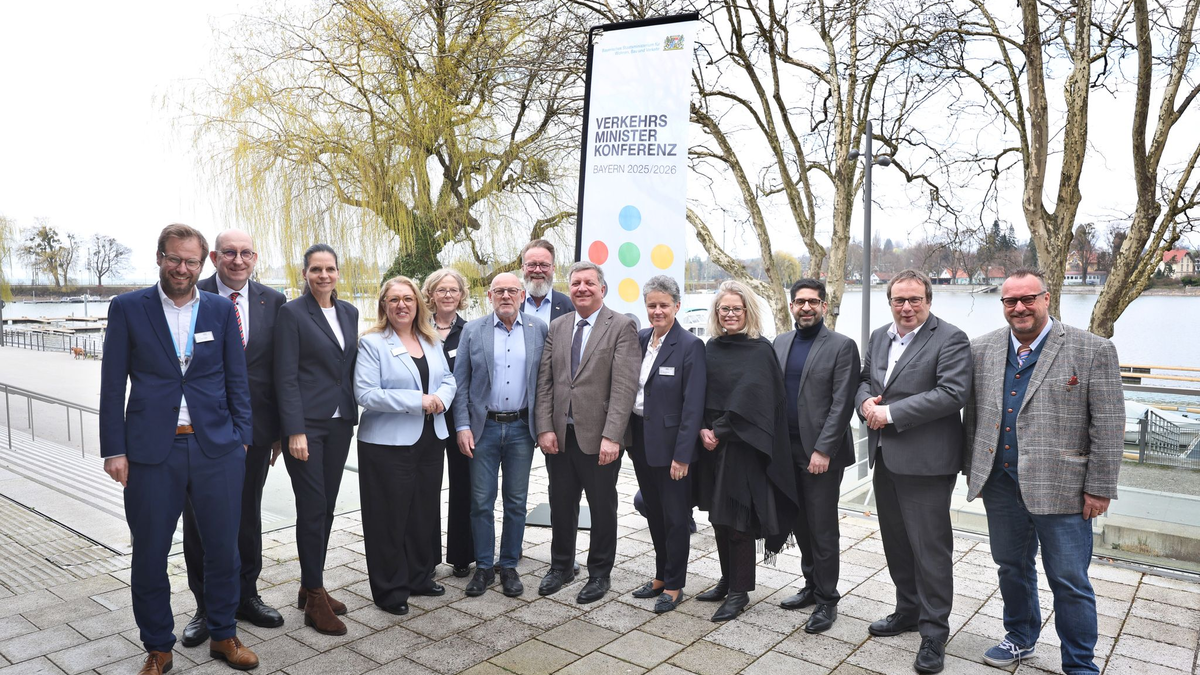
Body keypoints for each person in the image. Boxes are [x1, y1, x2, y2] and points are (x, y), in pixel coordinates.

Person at [100, 224, 258, 674]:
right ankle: (158, 646)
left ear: (203, 262)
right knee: (150, 552)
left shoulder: (219, 310)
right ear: (159, 257)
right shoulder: (129, 308)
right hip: (152, 452)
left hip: (216, 449)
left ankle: (224, 635)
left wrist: (242, 438)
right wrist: (114, 449)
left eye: (191, 261)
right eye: (174, 259)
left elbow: (236, 381)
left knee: (224, 549)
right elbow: (113, 385)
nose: (181, 268)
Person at [964, 269, 1122, 674]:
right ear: (1002, 305)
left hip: (1064, 489)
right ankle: (1020, 638)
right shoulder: (981, 349)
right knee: (1012, 568)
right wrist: (975, 471)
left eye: (1027, 298)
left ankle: (1080, 664)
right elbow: (974, 418)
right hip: (1000, 485)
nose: (1019, 307)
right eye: (1010, 301)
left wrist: (1100, 489)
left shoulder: (1092, 350)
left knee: (1069, 581)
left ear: (1046, 299)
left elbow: (1107, 424)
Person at [855, 269, 972, 674]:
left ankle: (934, 632)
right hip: (885, 458)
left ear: (928, 301)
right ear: (889, 301)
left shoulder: (950, 338)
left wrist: (889, 413)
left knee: (930, 551)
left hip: (926, 464)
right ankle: (907, 610)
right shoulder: (878, 337)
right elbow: (865, 380)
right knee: (898, 544)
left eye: (915, 300)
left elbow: (952, 393)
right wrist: (866, 403)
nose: (906, 307)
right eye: (899, 300)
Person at [181, 229, 287, 647]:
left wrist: (278, 429)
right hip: (202, 430)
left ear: (255, 257)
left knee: (248, 512)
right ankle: (206, 606)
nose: (238, 260)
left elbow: (280, 369)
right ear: (214, 256)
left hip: (256, 430)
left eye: (245, 253)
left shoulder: (273, 301)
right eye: (229, 253)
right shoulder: (193, 295)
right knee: (198, 520)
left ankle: (246, 595)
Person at [534, 262, 639, 604]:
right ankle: (562, 566)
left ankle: (599, 573)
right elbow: (545, 382)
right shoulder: (558, 326)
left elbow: (624, 387)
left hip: (599, 439)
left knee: (602, 507)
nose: (581, 288)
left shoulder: (621, 326)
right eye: (576, 283)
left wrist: (613, 436)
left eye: (589, 283)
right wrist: (545, 427)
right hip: (561, 437)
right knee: (561, 504)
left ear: (602, 289)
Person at [694, 280, 797, 623]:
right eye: (724, 309)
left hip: (743, 447)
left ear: (748, 311)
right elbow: (701, 393)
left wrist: (718, 431)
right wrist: (702, 430)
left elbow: (755, 403)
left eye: (737, 309)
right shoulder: (711, 347)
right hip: (711, 447)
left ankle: (740, 592)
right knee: (718, 519)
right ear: (717, 313)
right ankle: (727, 580)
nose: (730, 315)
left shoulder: (760, 350)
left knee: (738, 520)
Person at [355, 276, 457, 615]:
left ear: (418, 304)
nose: (402, 305)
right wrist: (419, 401)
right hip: (387, 444)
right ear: (384, 305)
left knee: (422, 512)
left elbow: (448, 379)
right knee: (388, 517)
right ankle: (389, 589)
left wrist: (440, 398)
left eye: (408, 299)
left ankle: (419, 576)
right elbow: (366, 394)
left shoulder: (430, 340)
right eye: (394, 299)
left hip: (430, 439)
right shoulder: (372, 343)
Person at [274, 243, 359, 636]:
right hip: (306, 426)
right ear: (304, 274)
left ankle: (311, 586)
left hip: (341, 423)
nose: (324, 275)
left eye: (330, 269)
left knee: (326, 507)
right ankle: (316, 600)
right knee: (311, 508)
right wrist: (293, 430)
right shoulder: (291, 313)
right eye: (316, 270)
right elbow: (285, 376)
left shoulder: (349, 312)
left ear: (338, 273)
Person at [772, 278, 859, 634]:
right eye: (799, 302)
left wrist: (823, 449)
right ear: (791, 306)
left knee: (822, 528)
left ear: (823, 305)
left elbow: (842, 404)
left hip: (821, 454)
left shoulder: (842, 346)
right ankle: (810, 585)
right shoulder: (780, 343)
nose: (806, 307)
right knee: (799, 523)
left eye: (813, 301)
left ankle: (827, 599)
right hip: (786, 451)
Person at [453, 273, 547, 598]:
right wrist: (462, 426)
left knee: (516, 502)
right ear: (490, 295)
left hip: (522, 428)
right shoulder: (472, 331)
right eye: (499, 291)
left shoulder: (538, 330)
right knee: (481, 502)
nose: (506, 295)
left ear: (522, 295)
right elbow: (460, 384)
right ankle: (483, 567)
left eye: (512, 290)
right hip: (484, 428)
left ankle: (508, 565)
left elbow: (544, 384)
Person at [627, 276, 706, 614]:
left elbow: (693, 406)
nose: (657, 311)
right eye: (651, 305)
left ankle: (674, 584)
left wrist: (683, 455)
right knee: (655, 514)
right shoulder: (640, 339)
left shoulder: (690, 346)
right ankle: (660, 575)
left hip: (672, 448)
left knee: (675, 518)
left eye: (663, 305)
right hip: (641, 443)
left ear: (677, 306)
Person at [424, 268, 473, 578]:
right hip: (426, 416)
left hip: (461, 419)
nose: (447, 295)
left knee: (464, 486)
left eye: (453, 290)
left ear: (462, 296)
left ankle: (461, 555)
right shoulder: (417, 330)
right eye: (441, 290)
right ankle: (426, 558)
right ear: (431, 295)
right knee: (426, 488)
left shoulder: (471, 331)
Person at [520, 239, 574, 326]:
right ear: (523, 268)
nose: (537, 270)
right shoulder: (512, 304)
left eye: (544, 265)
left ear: (553, 268)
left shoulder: (569, 306)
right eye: (531, 265)